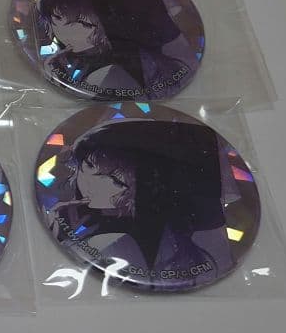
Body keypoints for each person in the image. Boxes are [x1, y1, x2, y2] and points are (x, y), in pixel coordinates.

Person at [47, 120, 233, 283]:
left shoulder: (117, 243)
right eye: (89, 165)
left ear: (149, 193)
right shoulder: (88, 219)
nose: (90, 183)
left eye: (116, 180)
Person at [34, 0, 193, 98]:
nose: (69, 31)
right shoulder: (69, 61)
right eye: (58, 19)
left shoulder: (120, 69)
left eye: (84, 23)